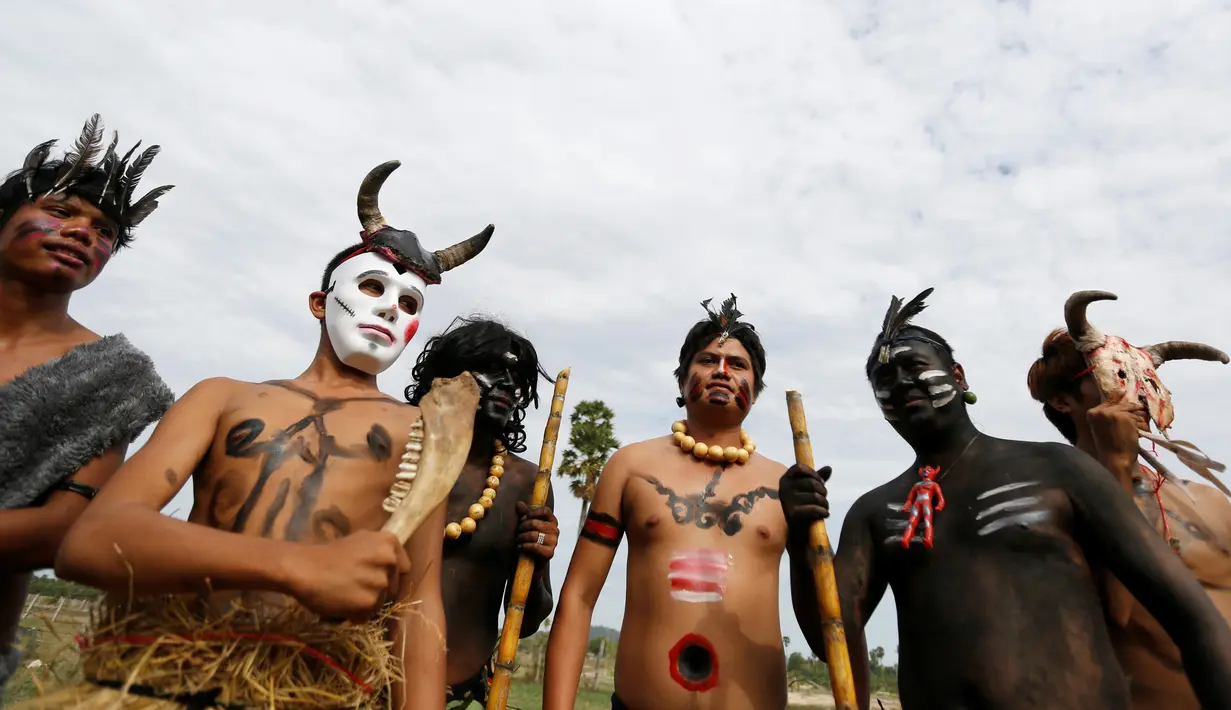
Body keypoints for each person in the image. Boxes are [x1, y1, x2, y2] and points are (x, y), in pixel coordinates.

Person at [31, 160, 494, 710]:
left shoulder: (423, 434)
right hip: (169, 679)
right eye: (373, 286)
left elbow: (417, 606)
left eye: (411, 303)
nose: (391, 308)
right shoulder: (221, 397)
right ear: (319, 303)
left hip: (317, 686)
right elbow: (92, 543)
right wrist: (297, 568)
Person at [778, 287, 1231, 710]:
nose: (900, 383)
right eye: (884, 378)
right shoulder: (876, 511)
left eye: (914, 367)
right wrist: (800, 535)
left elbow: (1192, 618)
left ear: (958, 377)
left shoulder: (1058, 469)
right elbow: (829, 634)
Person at [545, 295, 794, 710]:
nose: (721, 371)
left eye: (737, 364)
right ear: (681, 380)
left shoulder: (785, 485)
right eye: (707, 360)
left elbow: (828, 620)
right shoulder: (631, 467)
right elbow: (579, 597)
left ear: (757, 388)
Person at [0, 114, 175, 692]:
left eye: (105, 230)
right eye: (60, 210)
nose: (82, 232)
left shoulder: (114, 378)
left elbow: (64, 529)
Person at [1026, 289, 1231, 710]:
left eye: (1143, 379)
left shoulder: (1210, 500)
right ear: (1062, 401)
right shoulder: (1051, 507)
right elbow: (1112, 614)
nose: (1135, 393)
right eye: (1115, 377)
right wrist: (1117, 466)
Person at [403, 316, 560, 708]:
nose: (507, 384)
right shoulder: (395, 454)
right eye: (492, 369)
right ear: (446, 375)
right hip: (364, 680)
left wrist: (536, 561)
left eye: (516, 377)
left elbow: (527, 620)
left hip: (463, 695)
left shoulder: (526, 484)